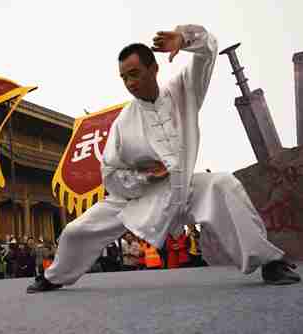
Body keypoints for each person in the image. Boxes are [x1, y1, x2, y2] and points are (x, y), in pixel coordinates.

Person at [27, 24, 300, 293]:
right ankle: (54, 276)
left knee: (223, 184)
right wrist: (144, 176)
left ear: (153, 68)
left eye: (135, 74)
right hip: (143, 197)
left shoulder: (183, 90)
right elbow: (109, 173)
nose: (130, 83)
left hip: (187, 189)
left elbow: (208, 50)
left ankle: (270, 263)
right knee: (76, 231)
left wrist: (185, 38)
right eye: (124, 78)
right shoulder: (123, 123)